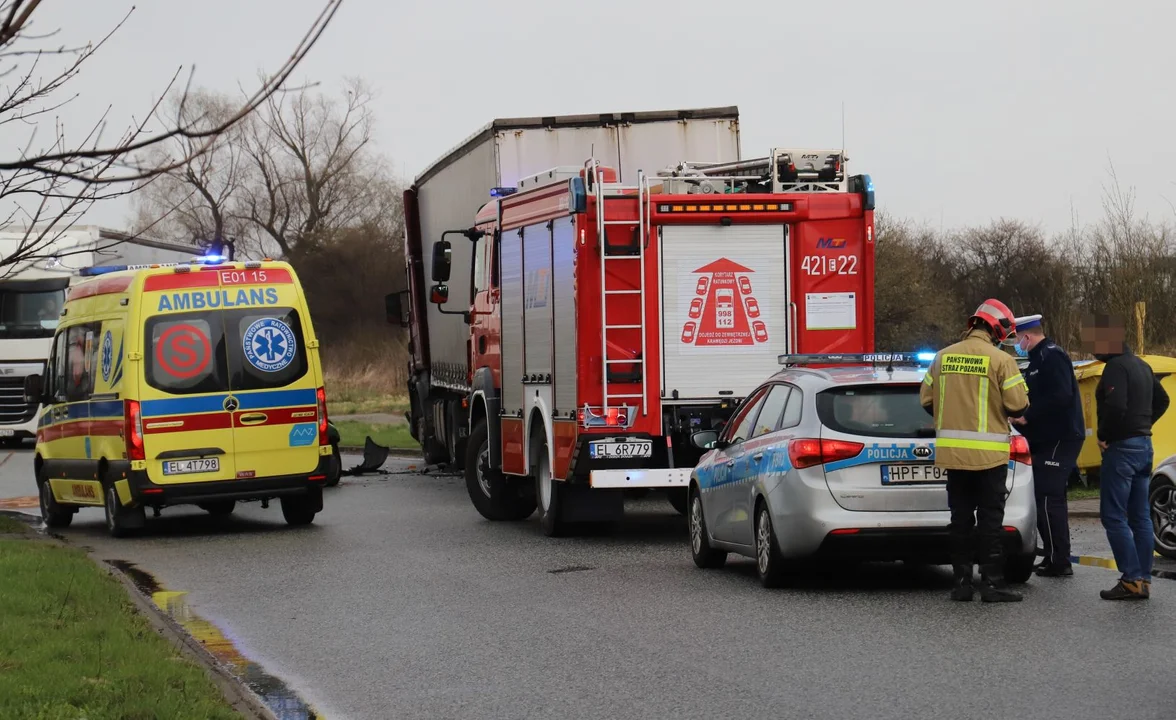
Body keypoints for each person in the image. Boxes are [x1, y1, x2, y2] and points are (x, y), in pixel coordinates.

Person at [920, 299, 1030, 603]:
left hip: (953, 455)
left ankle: (961, 584)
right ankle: (991, 584)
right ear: (996, 328)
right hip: (990, 457)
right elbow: (1017, 404)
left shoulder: (942, 358)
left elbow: (926, 399)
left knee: (960, 519)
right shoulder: (1000, 361)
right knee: (990, 520)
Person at [1083, 313, 1169, 600]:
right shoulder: (1143, 367)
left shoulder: (1116, 368)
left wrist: (1106, 434)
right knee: (1141, 516)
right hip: (1144, 446)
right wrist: (1144, 424)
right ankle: (1143, 578)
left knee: (1113, 516)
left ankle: (1131, 578)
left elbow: (1116, 406)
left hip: (1122, 450)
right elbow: (1163, 400)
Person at [1007, 314, 1086, 577]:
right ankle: (1053, 555)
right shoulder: (1037, 359)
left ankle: (1059, 560)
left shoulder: (1052, 356)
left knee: (1048, 497)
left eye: (1017, 339)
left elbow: (1061, 396)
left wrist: (1028, 415)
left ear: (1027, 336)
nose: (1017, 344)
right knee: (1044, 496)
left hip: (1059, 437)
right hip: (1045, 438)